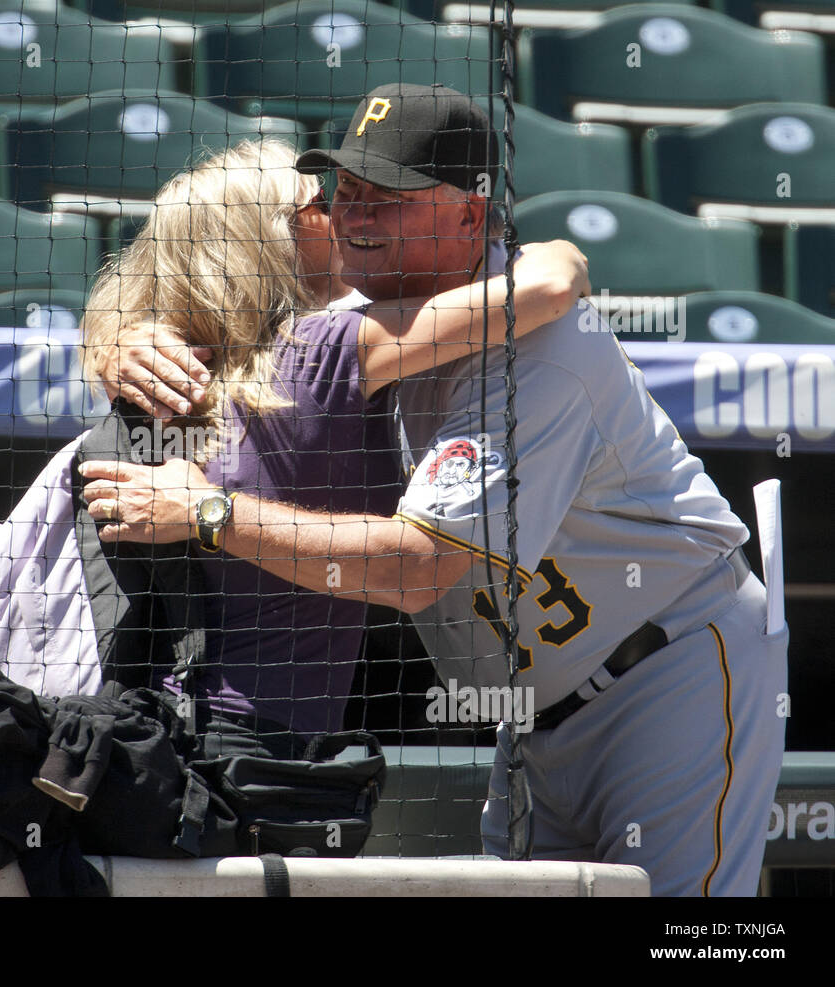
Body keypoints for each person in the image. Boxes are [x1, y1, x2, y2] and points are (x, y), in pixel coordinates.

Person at [80, 84, 787, 895]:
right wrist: (123, 336)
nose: (357, 216)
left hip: (666, 666)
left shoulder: (540, 353)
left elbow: (417, 571)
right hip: (531, 715)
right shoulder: (362, 306)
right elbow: (203, 284)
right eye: (346, 191)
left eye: (390, 198)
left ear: (468, 219)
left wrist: (210, 513)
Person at [75, 138, 588, 754]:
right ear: (263, 242)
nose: (345, 216)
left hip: (151, 730)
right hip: (257, 751)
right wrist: (560, 250)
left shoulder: (153, 378)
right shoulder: (329, 348)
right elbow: (552, 286)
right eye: (320, 204)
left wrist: (114, 332)